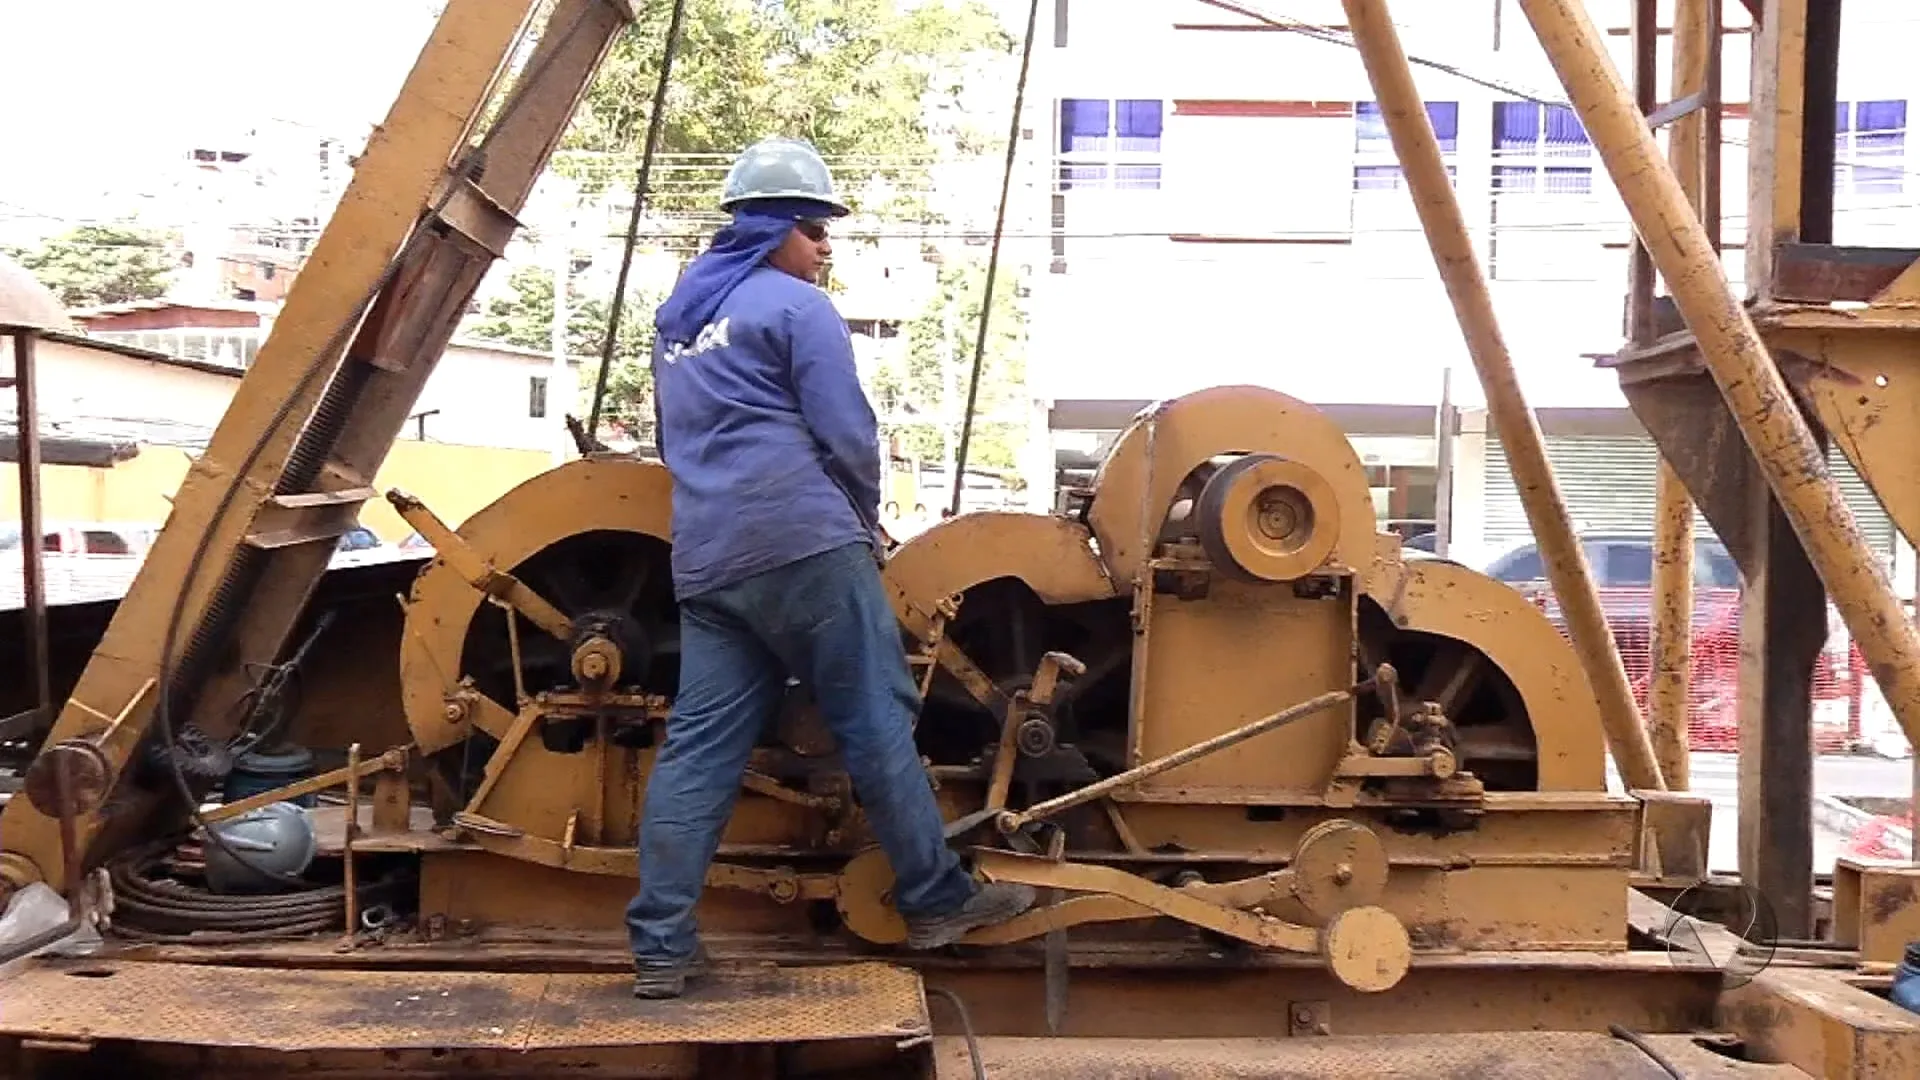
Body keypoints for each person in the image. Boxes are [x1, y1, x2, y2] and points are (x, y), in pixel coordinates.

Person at [627, 136, 1036, 999]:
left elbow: (673, 441)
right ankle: (934, 897)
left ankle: (661, 947)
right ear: (772, 227)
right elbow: (847, 433)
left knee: (699, 751)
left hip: (707, 562)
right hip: (804, 545)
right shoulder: (797, 309)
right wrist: (866, 517)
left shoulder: (677, 321)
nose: (824, 246)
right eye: (813, 228)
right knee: (877, 719)